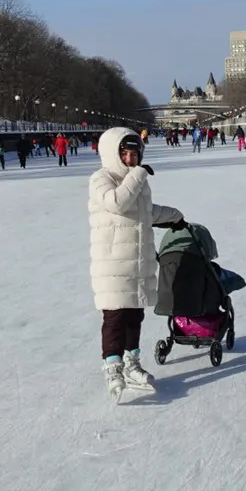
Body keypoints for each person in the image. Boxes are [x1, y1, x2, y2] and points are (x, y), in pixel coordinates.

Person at [89, 127, 184, 400]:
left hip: (138, 260)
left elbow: (145, 212)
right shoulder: (101, 179)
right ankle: (113, 367)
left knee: (134, 315)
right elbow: (117, 202)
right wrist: (139, 174)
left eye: (135, 154)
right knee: (115, 316)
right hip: (113, 264)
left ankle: (132, 363)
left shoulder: (136, 180)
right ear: (113, 154)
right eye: (125, 154)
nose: (131, 159)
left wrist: (174, 215)